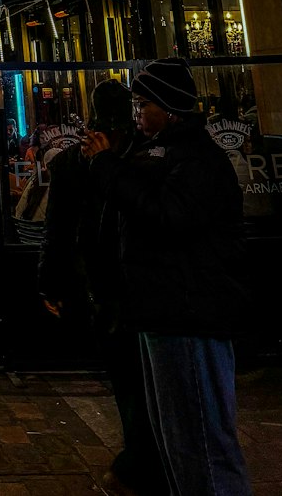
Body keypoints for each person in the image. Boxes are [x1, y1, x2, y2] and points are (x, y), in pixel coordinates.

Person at [85, 59, 252, 496]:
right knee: (176, 439)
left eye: (144, 105)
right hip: (161, 313)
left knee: (202, 439)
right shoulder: (155, 153)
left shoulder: (196, 159)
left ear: (170, 108)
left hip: (189, 315)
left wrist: (107, 168)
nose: (137, 114)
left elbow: (168, 216)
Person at [39, 80, 166, 496]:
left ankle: (139, 463)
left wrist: (51, 283)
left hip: (109, 286)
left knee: (131, 380)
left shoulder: (80, 162)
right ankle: (145, 459)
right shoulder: (142, 155)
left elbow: (57, 231)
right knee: (142, 380)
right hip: (136, 285)